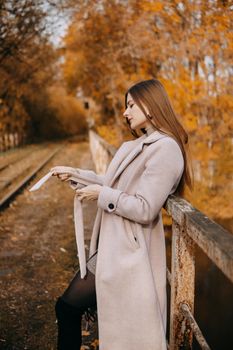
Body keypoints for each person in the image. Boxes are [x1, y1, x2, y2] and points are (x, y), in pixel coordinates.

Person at [52, 78, 193, 350]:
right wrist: (76, 174)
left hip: (127, 253)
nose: (125, 112)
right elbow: (113, 181)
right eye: (125, 106)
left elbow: (145, 207)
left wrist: (101, 196)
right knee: (66, 307)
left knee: (67, 308)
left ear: (151, 104)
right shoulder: (137, 145)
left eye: (131, 105)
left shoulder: (167, 148)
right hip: (110, 246)